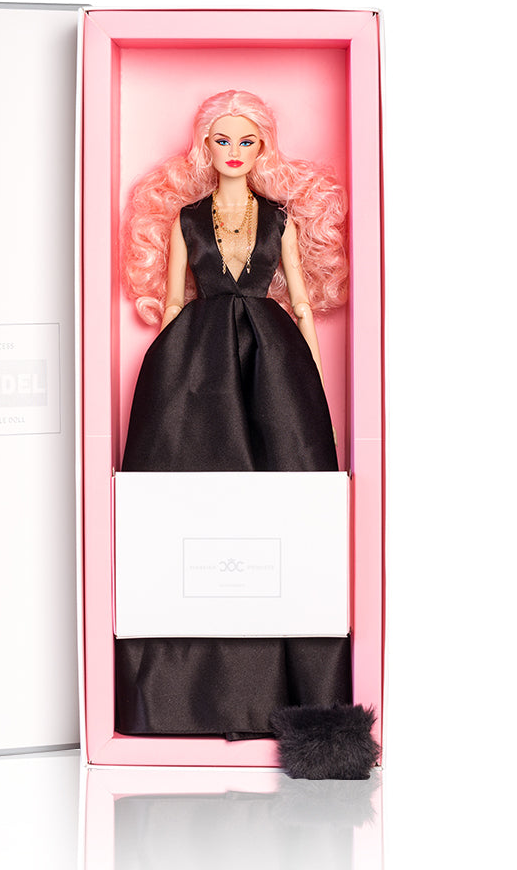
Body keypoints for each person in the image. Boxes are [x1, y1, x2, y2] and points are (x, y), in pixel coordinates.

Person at [115, 89, 351, 738]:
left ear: (264, 145)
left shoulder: (279, 218)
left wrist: (314, 384)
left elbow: (301, 304)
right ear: (204, 146)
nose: (235, 151)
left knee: (286, 488)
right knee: (193, 486)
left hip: (274, 357)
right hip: (197, 362)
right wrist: (164, 377)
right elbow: (172, 304)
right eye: (223, 140)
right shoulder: (186, 219)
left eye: (247, 140)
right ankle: (177, 694)